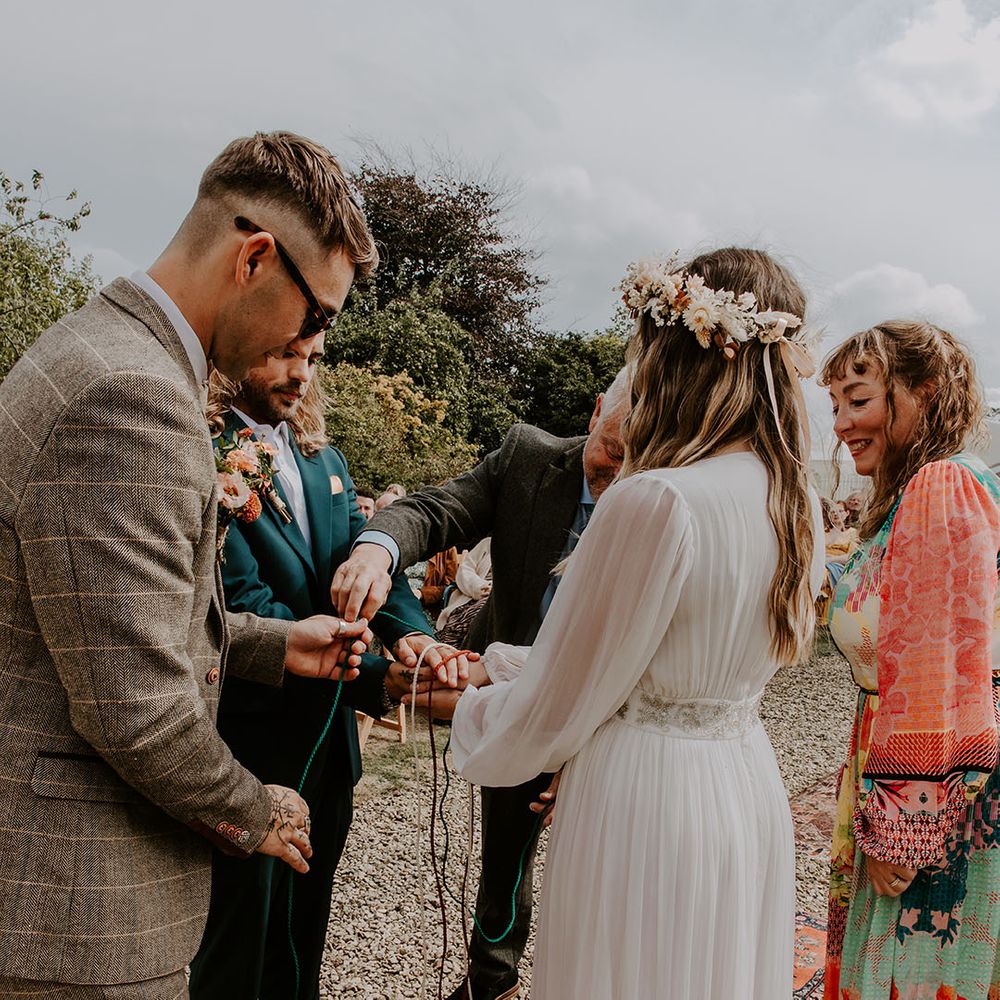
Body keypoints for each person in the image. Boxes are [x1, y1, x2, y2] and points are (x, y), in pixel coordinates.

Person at [0, 131, 375, 998]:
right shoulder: (129, 396)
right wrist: (257, 808)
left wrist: (267, 645)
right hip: (78, 916)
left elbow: (101, 617)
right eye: (318, 314)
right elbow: (133, 709)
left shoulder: (97, 350)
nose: (311, 340)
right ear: (254, 258)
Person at [417, 247, 825, 999]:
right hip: (739, 788)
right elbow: (642, 657)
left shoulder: (660, 500)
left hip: (646, 802)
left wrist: (439, 697)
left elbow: (558, 707)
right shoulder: (787, 502)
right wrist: (491, 663)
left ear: (681, 353)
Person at [332, 367, 631, 999]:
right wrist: (377, 550)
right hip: (515, 703)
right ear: (596, 410)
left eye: (637, 457)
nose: (617, 473)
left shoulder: (656, 494)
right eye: (611, 449)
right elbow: (433, 511)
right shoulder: (528, 459)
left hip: (614, 718)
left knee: (609, 885)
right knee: (505, 869)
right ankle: (490, 984)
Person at [190, 341, 461, 999]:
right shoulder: (205, 453)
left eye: (311, 358)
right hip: (249, 740)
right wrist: (374, 679)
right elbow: (240, 603)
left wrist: (420, 643)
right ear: (235, 357)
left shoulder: (326, 460)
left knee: (306, 926)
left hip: (331, 745)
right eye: (284, 354)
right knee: (238, 933)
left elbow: (372, 571)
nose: (300, 373)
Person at [821, 321, 1000, 999]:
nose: (841, 422)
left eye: (859, 399)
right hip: (924, 773)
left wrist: (905, 823)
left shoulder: (940, 486)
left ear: (923, 392)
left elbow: (937, 666)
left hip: (929, 786)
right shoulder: (928, 489)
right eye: (834, 404)